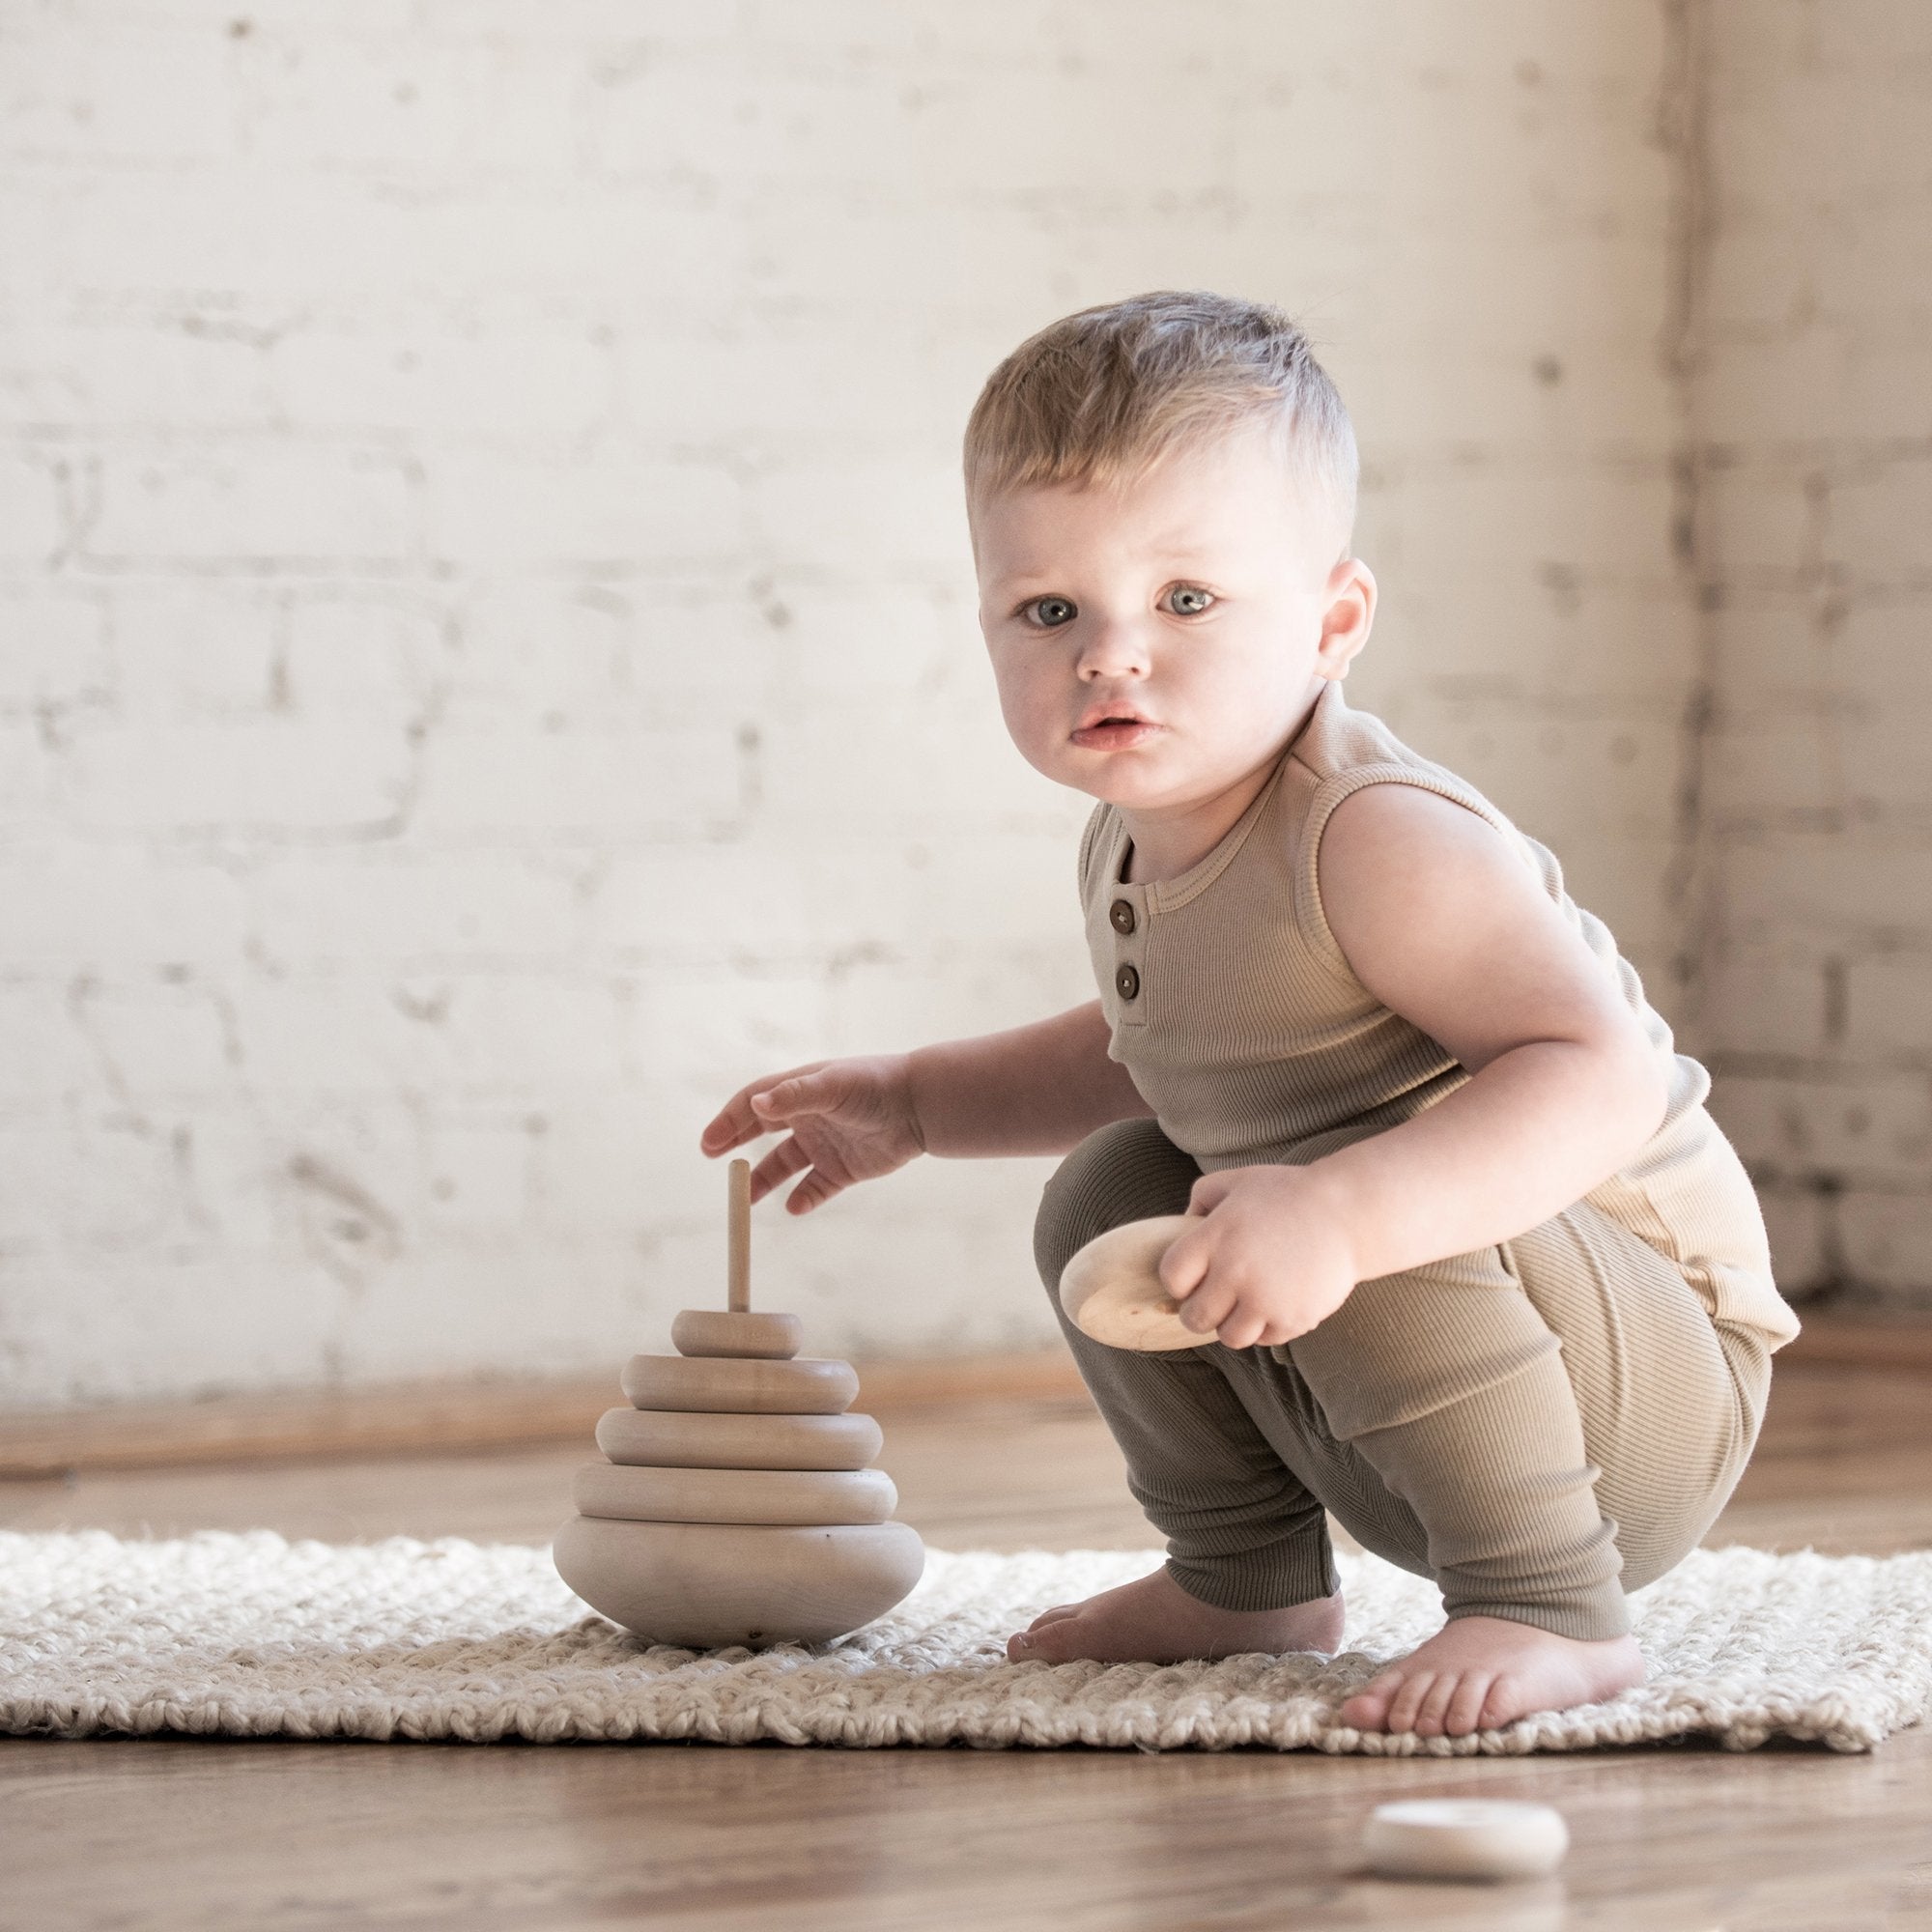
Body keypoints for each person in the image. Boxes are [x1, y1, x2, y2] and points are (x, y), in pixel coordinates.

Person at [698, 291, 1798, 1737]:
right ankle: (1247, 1576)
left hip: (1642, 1399)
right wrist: (913, 1100)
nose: (1110, 656)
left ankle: (1550, 1607)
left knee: (1330, 1189)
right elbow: (1160, 1053)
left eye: (1186, 601)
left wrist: (1347, 1216)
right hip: (1435, 1390)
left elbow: (1593, 1072)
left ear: (1334, 621)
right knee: (1113, 1191)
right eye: (1050, 612)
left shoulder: (1375, 836)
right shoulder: (1142, 825)